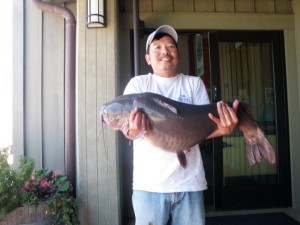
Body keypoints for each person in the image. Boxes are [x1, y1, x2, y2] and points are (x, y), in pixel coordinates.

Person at [122, 25, 239, 225]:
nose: (165, 51)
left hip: (189, 184)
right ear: (148, 58)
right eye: (157, 47)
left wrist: (224, 129)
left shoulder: (193, 84)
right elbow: (129, 131)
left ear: (178, 54)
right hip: (149, 186)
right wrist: (132, 130)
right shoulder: (138, 86)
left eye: (170, 46)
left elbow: (205, 126)